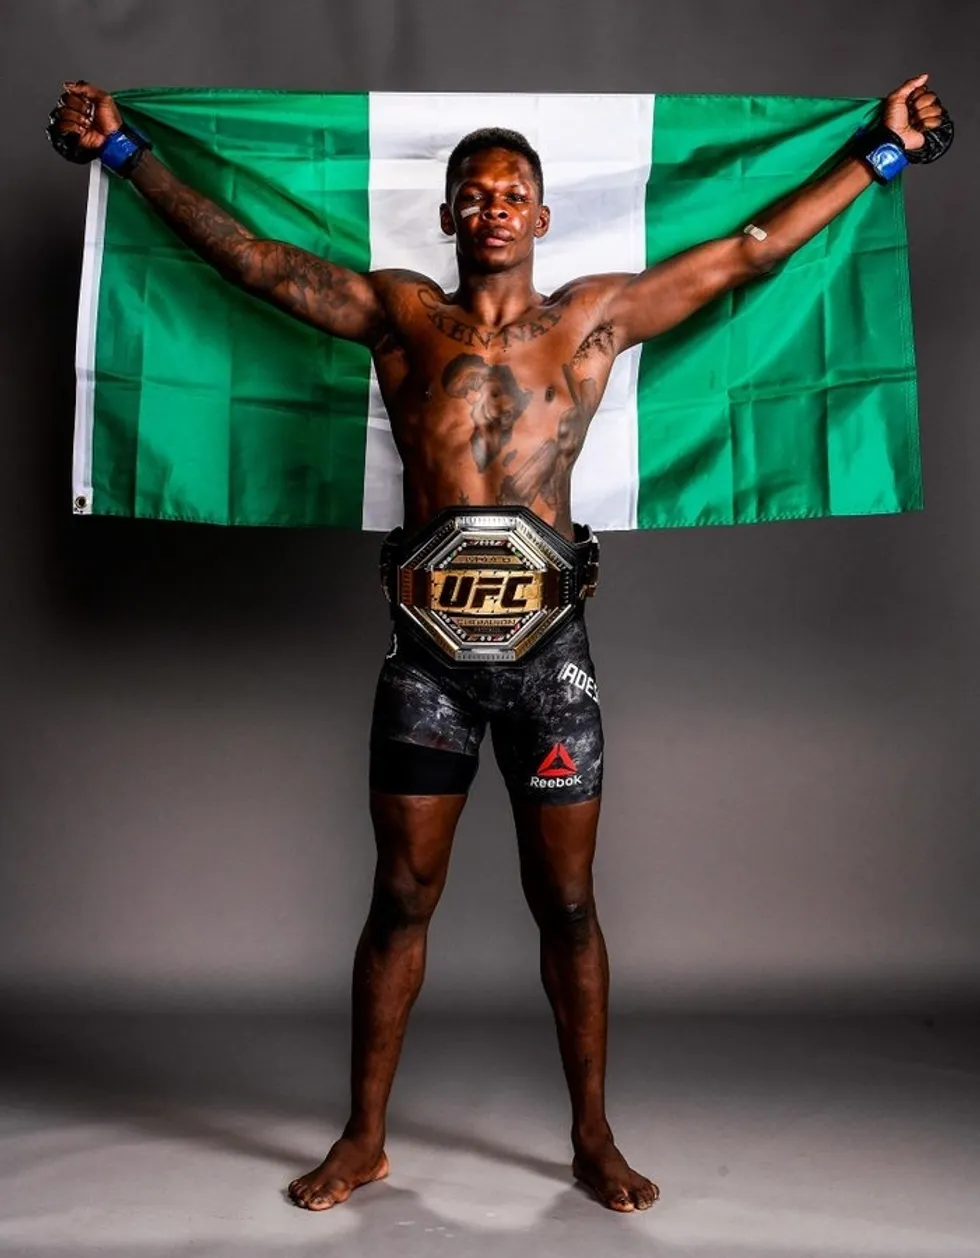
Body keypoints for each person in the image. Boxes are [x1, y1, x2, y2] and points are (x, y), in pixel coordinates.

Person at [47, 75, 951, 1213]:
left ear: (542, 214)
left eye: (513, 193)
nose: (493, 208)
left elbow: (744, 254)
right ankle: (362, 1138)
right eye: (473, 194)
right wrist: (127, 154)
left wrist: (878, 153)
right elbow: (256, 263)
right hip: (425, 659)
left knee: (567, 904)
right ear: (446, 215)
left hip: (549, 663)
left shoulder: (591, 319)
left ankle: (592, 1138)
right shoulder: (398, 315)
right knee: (400, 896)